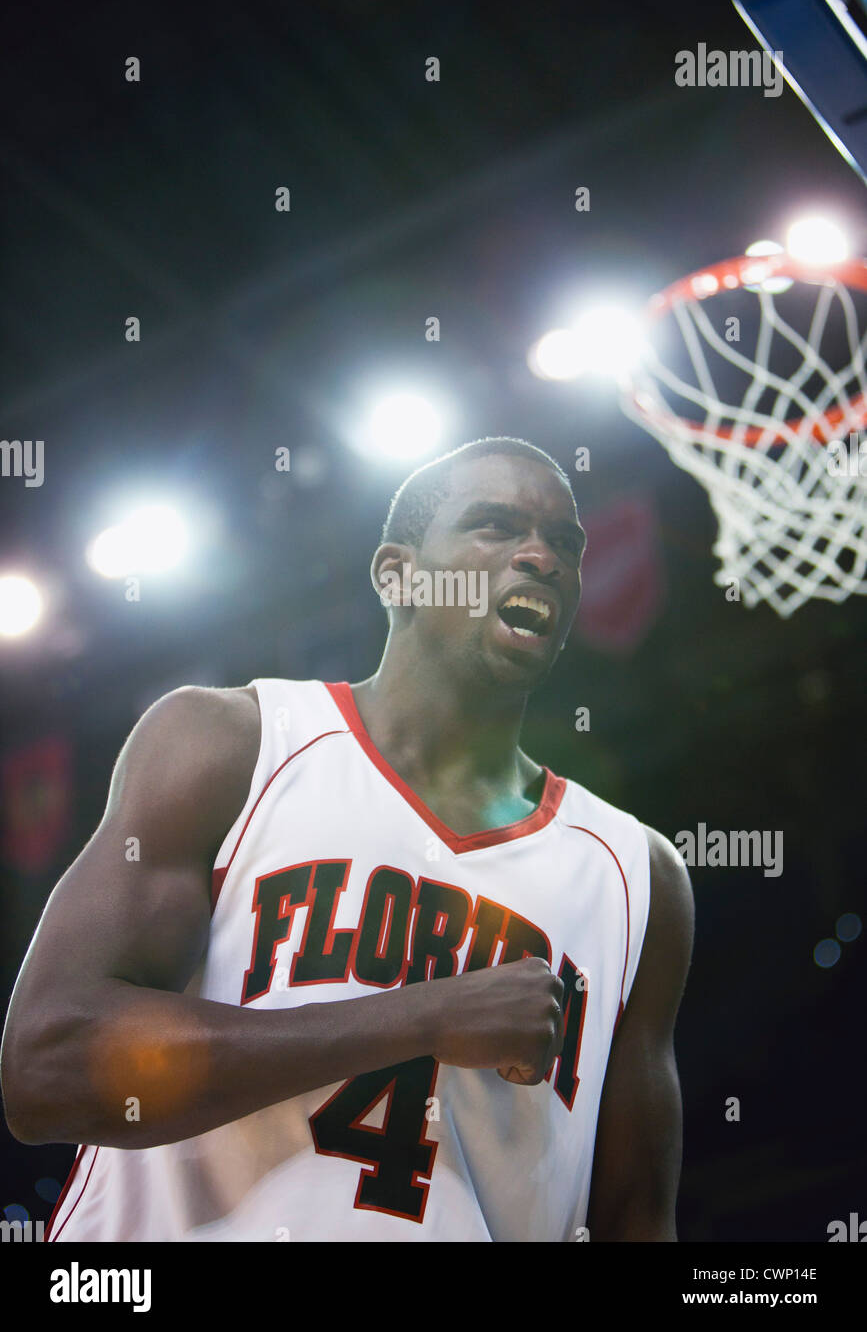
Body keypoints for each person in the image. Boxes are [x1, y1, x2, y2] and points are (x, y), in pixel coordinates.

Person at [1, 436, 694, 1242]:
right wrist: (418, 1019)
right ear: (394, 574)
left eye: (564, 543)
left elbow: (635, 1220)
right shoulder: (232, 743)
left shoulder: (636, 875)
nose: (539, 554)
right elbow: (46, 1066)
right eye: (495, 527)